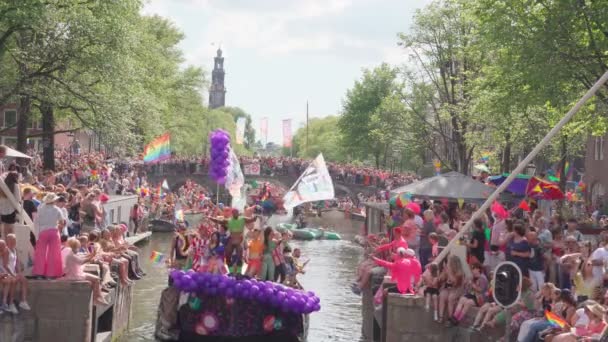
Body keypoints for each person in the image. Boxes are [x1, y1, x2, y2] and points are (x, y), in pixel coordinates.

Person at [62, 238, 109, 305]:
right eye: (77, 247)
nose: (78, 249)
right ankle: (97, 298)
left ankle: (98, 297)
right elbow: (81, 261)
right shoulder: (71, 255)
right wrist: (91, 256)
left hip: (75, 274)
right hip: (75, 276)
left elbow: (82, 256)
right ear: (73, 247)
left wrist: (92, 254)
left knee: (96, 279)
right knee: (96, 279)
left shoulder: (71, 254)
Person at [32, 193, 64, 279]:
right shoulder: (57, 209)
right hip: (54, 231)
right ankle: (50, 274)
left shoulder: (40, 208)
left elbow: (36, 221)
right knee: (53, 253)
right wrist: (58, 226)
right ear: (54, 201)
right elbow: (62, 222)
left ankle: (39, 274)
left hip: (42, 232)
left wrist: (36, 234)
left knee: (40, 253)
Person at [1, 234, 30, 311]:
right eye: (12, 240)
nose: (14, 241)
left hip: (13, 272)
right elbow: (5, 265)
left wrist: (19, 272)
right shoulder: (6, 251)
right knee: (14, 281)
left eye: (14, 240)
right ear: (8, 241)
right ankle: (10, 303)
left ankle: (23, 301)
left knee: (24, 280)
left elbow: (17, 263)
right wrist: (12, 274)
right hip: (7, 272)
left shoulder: (15, 250)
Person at [0, 171, 21, 238]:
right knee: (11, 231)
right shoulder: (15, 185)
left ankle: (6, 244)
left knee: (5, 230)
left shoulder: (2, 186)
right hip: (11, 210)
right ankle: (11, 245)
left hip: (2, 210)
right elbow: (18, 199)